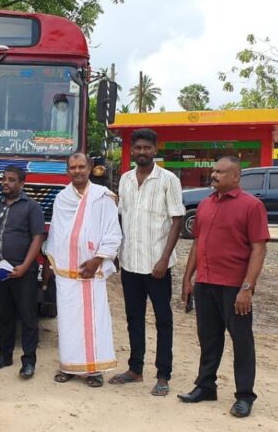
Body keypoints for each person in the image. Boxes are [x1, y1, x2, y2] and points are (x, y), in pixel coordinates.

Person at [178, 156, 268, 418]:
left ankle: (245, 396)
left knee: (242, 341)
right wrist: (188, 278)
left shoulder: (252, 206)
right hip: (205, 283)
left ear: (236, 176)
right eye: (214, 171)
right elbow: (198, 243)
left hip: (234, 287)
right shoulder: (205, 204)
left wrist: (247, 288)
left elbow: (259, 249)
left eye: (220, 172)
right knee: (209, 338)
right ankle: (206, 386)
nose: (214, 175)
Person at [110, 128, 184, 396]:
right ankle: (135, 369)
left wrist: (164, 259)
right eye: (138, 148)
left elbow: (177, 220)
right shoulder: (126, 179)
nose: (142, 152)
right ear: (133, 150)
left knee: (163, 320)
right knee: (134, 318)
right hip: (130, 262)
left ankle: (163, 374)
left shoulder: (168, 180)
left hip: (157, 266)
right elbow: (121, 217)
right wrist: (116, 253)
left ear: (155, 149)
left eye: (147, 148)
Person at [44, 152, 121, 388]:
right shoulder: (62, 198)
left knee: (94, 321)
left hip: (92, 270)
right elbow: (56, 233)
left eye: (81, 167)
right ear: (67, 170)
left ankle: (94, 370)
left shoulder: (102, 197)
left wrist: (97, 260)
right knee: (68, 322)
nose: (77, 171)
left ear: (89, 168)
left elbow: (112, 232)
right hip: (66, 272)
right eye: (73, 167)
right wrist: (52, 263)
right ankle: (68, 365)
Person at [0, 165, 45, 380]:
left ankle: (28, 361)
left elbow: (38, 237)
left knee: (28, 317)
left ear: (22, 183)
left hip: (22, 271)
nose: (5, 183)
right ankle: (4, 355)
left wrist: (25, 266)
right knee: (4, 315)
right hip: (0, 271)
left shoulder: (32, 207)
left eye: (11, 180)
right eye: (4, 179)